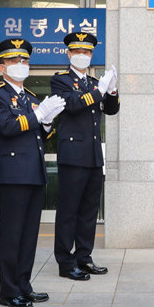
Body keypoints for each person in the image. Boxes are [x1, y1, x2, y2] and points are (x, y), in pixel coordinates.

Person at [0, 38, 66, 307]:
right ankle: (9, 291)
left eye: (24, 60)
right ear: (1, 67)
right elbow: (7, 127)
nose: (20, 65)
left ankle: (24, 285)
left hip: (33, 172)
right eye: (13, 60)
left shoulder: (31, 98)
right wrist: (37, 116)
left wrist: (46, 121)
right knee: (12, 234)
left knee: (29, 234)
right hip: (12, 174)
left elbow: (42, 136)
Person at [51, 32, 119, 281]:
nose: (83, 56)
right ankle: (65, 262)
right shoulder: (61, 81)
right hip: (72, 154)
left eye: (87, 52)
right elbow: (71, 105)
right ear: (68, 54)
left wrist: (111, 91)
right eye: (78, 52)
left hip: (92, 155)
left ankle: (84, 257)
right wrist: (99, 91)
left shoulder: (93, 82)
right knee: (69, 210)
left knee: (89, 211)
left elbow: (111, 111)